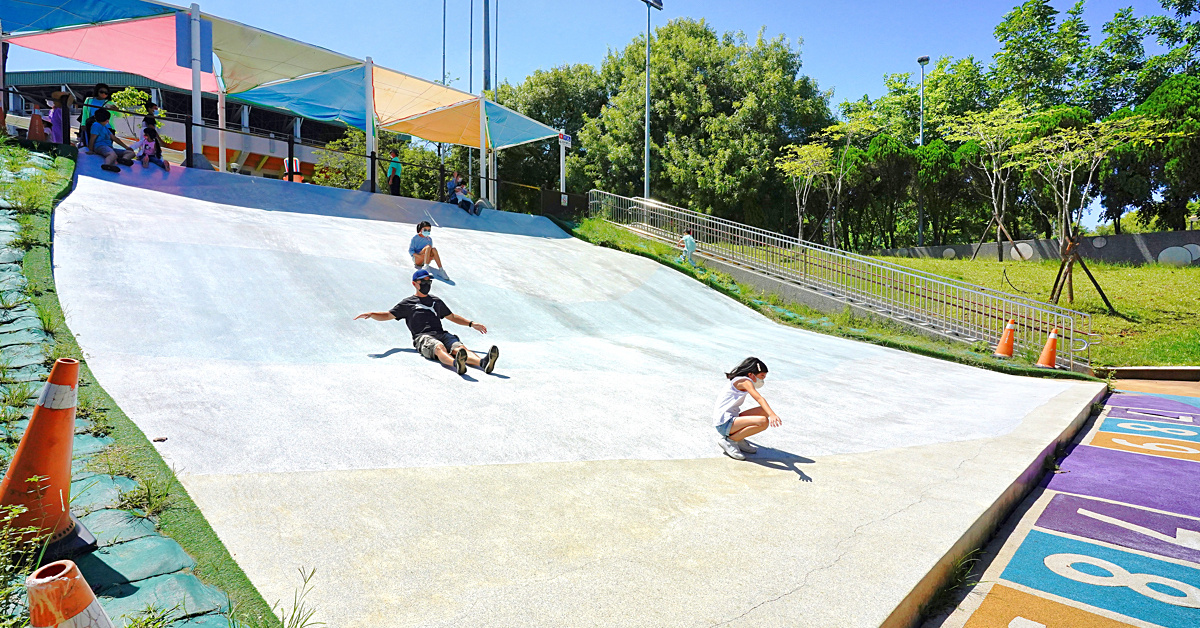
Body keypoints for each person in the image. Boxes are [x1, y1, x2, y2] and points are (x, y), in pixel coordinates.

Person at [355, 269, 499, 375]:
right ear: (414, 283)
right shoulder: (408, 303)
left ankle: (483, 362)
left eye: (428, 281)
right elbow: (388, 315)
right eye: (423, 281)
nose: (427, 283)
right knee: (439, 347)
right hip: (423, 337)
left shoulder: (435, 301)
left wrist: (471, 323)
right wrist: (372, 314)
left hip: (441, 333)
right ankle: (456, 364)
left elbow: (452, 316)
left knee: (459, 348)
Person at [712, 357, 782, 460]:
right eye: (762, 376)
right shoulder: (745, 381)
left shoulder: (742, 380)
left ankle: (739, 438)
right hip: (724, 424)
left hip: (730, 419)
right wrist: (772, 414)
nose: (763, 379)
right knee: (763, 421)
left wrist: (769, 412)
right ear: (750, 374)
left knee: (763, 411)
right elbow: (759, 398)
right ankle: (730, 440)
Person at [86, 109, 135, 173]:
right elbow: (92, 138)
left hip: (109, 147)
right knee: (112, 154)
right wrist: (90, 150)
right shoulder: (96, 125)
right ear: (106, 120)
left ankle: (124, 160)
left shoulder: (105, 127)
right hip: (100, 146)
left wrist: (126, 147)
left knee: (131, 153)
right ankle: (107, 164)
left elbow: (114, 138)